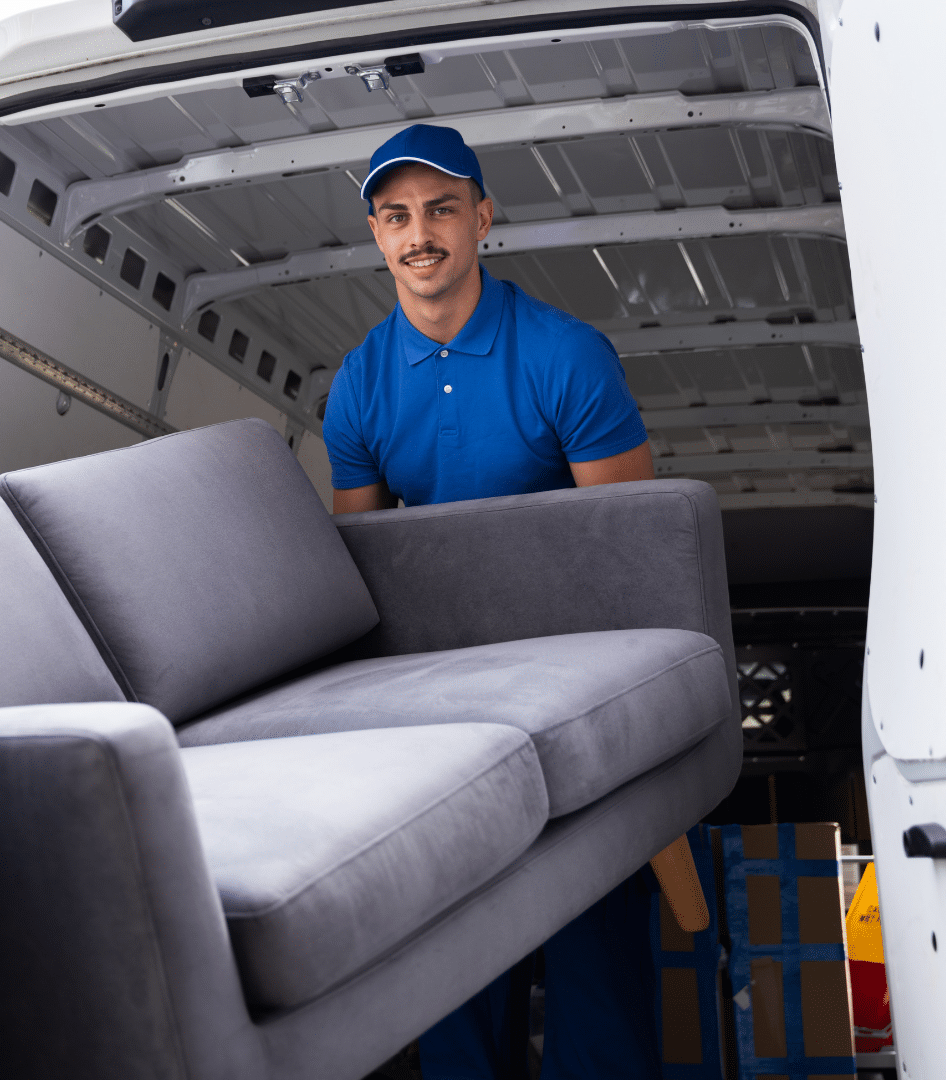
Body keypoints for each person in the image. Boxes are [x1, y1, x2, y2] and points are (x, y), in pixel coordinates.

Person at [324, 125, 660, 1078]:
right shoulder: (358, 385)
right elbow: (362, 572)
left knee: (596, 948)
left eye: (439, 209)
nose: (418, 233)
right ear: (378, 236)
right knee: (454, 960)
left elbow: (635, 552)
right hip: (443, 705)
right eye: (396, 216)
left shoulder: (564, 354)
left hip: (577, 685)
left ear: (483, 216)